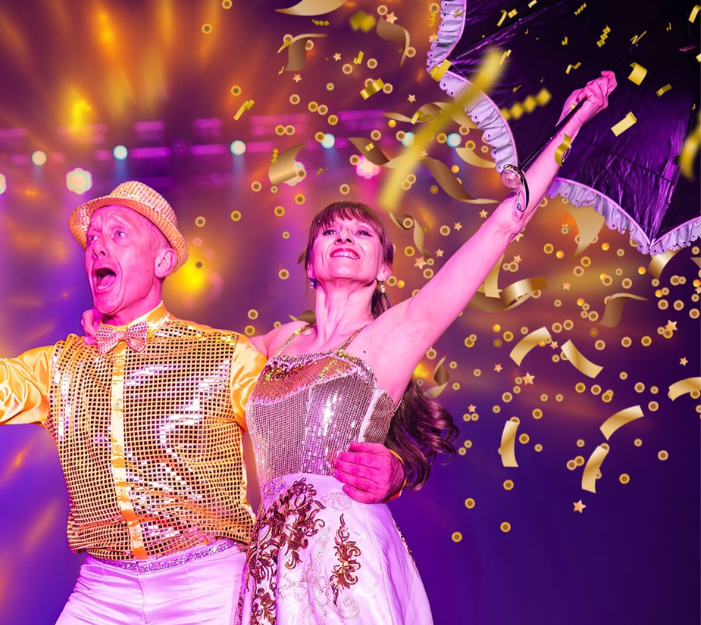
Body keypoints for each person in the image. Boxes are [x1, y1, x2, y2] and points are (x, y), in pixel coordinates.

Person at [0, 181, 405, 625]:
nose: (98, 249)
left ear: (161, 260)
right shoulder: (58, 364)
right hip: (101, 592)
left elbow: (305, 433)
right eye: (92, 241)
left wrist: (398, 468)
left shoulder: (224, 355)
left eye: (117, 235)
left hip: (209, 586)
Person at [231, 72, 616, 625]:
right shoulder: (278, 342)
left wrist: (572, 123)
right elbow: (190, 367)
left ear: (385, 268)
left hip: (345, 555)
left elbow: (506, 224)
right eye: (330, 232)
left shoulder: (397, 333)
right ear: (309, 263)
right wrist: (116, 322)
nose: (345, 238)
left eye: (363, 234)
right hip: (268, 561)